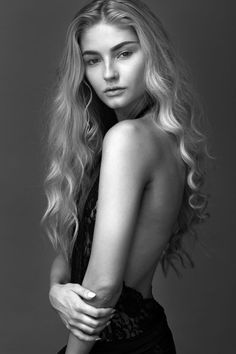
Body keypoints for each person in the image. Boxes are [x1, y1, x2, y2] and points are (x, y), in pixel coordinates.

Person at [42, 0, 209, 353]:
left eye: (123, 54)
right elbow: (72, 253)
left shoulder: (127, 140)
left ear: (151, 56)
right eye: (92, 60)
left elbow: (103, 287)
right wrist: (57, 292)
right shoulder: (151, 137)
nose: (108, 74)